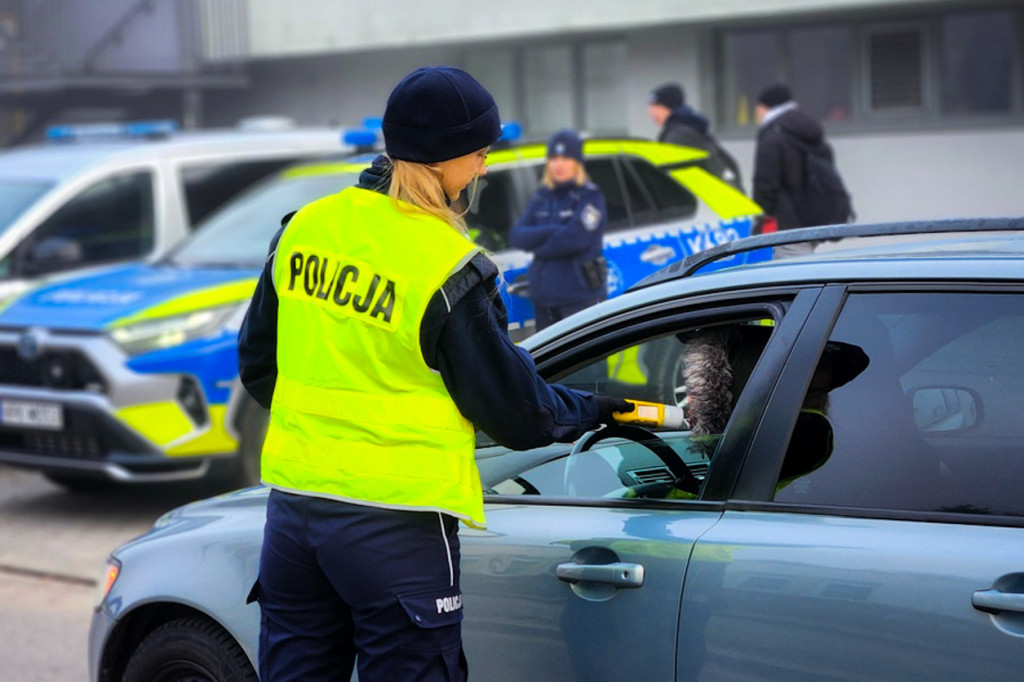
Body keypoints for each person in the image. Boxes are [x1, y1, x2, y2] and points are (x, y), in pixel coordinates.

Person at [237, 66, 633, 682]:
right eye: (479, 154)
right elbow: (518, 414)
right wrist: (595, 409)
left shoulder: (305, 227)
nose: (482, 169)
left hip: (294, 517)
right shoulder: (448, 265)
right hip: (395, 528)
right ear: (446, 159)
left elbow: (260, 365)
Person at [509, 129, 608, 332]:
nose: (558, 165)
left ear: (577, 162)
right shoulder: (542, 197)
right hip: (544, 302)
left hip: (578, 299)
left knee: (583, 352)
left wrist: (537, 245)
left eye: (565, 158)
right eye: (554, 159)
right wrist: (553, 230)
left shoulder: (590, 196)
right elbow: (517, 236)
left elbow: (574, 240)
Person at [752, 83, 851, 258]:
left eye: (758, 107)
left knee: (790, 271)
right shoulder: (809, 133)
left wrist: (758, 218)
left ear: (767, 107)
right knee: (804, 265)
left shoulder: (773, 136)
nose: (756, 112)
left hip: (786, 226)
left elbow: (765, 184)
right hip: (813, 219)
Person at [648, 82, 743, 191]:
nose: (651, 112)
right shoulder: (693, 131)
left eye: (656, 106)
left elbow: (673, 180)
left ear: (668, 106)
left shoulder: (678, 137)